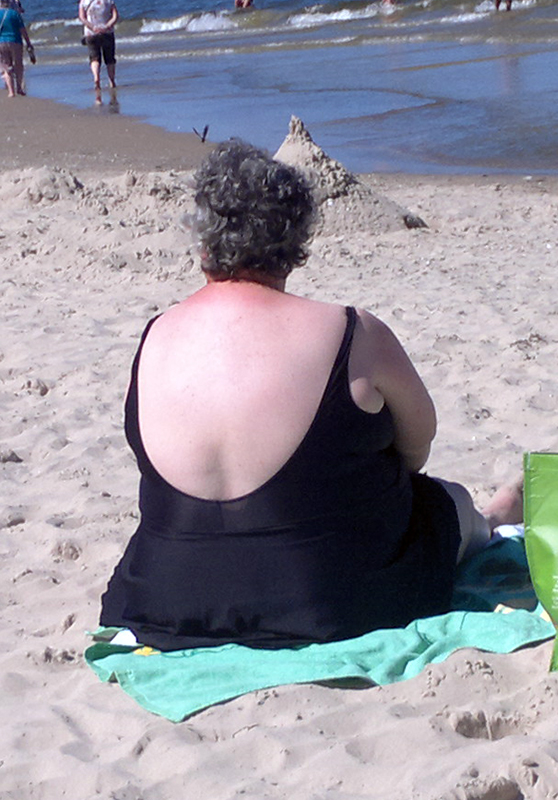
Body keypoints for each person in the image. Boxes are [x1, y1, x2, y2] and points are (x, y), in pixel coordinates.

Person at [99, 140, 522, 652]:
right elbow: (417, 445)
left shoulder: (155, 337)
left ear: (204, 242)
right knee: (445, 502)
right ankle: (496, 516)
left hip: (166, 602)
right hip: (331, 602)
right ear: (294, 240)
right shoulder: (351, 331)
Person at [78, 0, 118, 95]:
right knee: (110, 59)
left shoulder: (84, 1)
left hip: (91, 33)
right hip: (107, 32)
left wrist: (92, 27)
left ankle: (96, 79)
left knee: (94, 58)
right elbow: (115, 16)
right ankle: (112, 81)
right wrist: (107, 26)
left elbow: (82, 18)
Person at [0, 0, 34, 97]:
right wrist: (28, 43)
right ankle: (19, 88)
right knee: (18, 66)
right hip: (15, 41)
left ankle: (11, 92)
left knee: (6, 68)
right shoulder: (15, 14)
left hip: (1, 43)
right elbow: (22, 30)